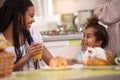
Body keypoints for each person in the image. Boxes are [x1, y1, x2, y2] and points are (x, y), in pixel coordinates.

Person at [0, 0, 53, 71]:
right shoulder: (1, 41)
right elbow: (4, 70)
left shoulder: (33, 34)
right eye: (31, 16)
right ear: (18, 15)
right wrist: (27, 56)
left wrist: (69, 62)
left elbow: (51, 62)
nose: (33, 20)